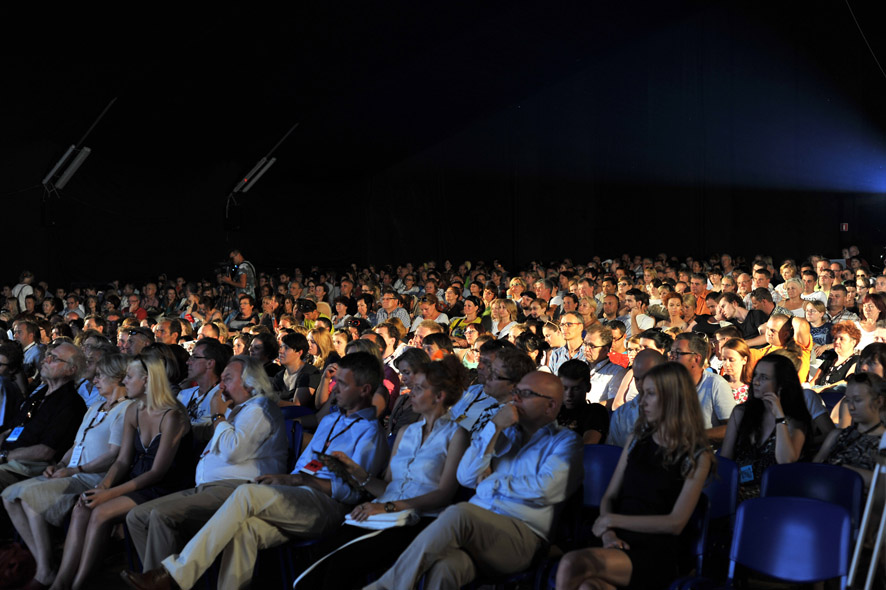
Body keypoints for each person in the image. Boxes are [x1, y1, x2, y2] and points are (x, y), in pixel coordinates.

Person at [122, 352, 389, 590]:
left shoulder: (370, 433)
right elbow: (304, 466)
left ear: (365, 390)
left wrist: (294, 480)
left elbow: (353, 492)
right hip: (298, 493)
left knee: (246, 493)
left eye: (342, 384)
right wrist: (289, 479)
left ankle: (174, 573)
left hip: (328, 507)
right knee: (245, 530)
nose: (334, 389)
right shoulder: (330, 419)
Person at [365, 371, 582, 589]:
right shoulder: (504, 434)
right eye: (516, 392)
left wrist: (489, 483)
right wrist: (494, 427)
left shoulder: (566, 442)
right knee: (445, 569)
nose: (515, 399)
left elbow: (546, 489)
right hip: (478, 531)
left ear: (551, 405)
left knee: (460, 513)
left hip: (523, 538)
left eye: (525, 394)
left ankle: (387, 586)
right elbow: (466, 476)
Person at [293, 355, 471, 589]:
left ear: (439, 396)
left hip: (417, 520)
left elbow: (444, 494)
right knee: (317, 559)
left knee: (340, 566)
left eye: (418, 388)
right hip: (381, 512)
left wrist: (387, 506)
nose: (411, 393)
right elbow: (388, 486)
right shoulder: (406, 432)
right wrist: (357, 472)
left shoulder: (456, 435)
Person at [555, 362, 714, 590]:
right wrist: (609, 533)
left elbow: (675, 523)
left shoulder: (697, 454)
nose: (642, 400)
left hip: (655, 547)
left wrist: (611, 521)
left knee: (572, 563)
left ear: (672, 398)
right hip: (617, 537)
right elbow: (610, 496)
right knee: (589, 586)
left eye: (651, 394)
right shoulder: (637, 440)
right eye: (643, 393)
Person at [124, 355, 287, 573]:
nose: (221, 385)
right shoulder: (235, 410)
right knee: (137, 516)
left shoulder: (259, 407)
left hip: (237, 489)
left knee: (162, 514)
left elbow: (232, 451)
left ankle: (162, 581)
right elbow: (211, 433)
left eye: (228, 379)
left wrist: (217, 414)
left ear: (250, 383)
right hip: (206, 488)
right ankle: (161, 578)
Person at [50, 353, 192, 590]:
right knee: (83, 507)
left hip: (164, 486)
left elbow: (158, 472)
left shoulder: (173, 415)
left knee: (100, 512)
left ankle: (80, 583)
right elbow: (123, 460)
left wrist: (109, 494)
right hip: (137, 480)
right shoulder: (134, 410)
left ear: (146, 380)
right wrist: (103, 487)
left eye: (129, 376)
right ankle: (62, 580)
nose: (124, 381)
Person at [2, 354, 133, 589]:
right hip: (71, 471)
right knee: (9, 496)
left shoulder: (126, 410)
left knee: (30, 499)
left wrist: (74, 469)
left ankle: (44, 570)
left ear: (119, 378)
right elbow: (76, 444)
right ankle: (44, 563)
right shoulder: (94, 407)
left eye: (101, 375)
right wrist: (61, 465)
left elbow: (114, 455)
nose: (95, 379)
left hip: (91, 478)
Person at [720, 354, 811, 501]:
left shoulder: (795, 420)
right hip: (737, 492)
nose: (755, 382)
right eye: (755, 375)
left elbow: (786, 460)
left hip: (774, 496)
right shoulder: (741, 413)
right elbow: (725, 460)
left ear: (781, 384)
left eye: (764, 377)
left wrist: (779, 416)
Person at [0, 341, 87, 495]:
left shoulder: (71, 404)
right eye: (47, 356)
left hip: (29, 467)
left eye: (54, 359)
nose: (44, 361)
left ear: (71, 369)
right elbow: (14, 427)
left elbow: (45, 452)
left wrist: (5, 456)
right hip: (10, 458)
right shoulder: (40, 394)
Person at [813, 372, 886, 487]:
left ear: (879, 401)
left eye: (857, 400)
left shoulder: (883, 442)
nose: (851, 407)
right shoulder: (838, 435)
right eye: (848, 400)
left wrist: (841, 469)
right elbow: (812, 471)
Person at [557, 359, 609, 444]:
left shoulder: (595, 411)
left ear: (588, 387)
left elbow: (588, 444)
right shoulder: (554, 411)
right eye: (564, 388)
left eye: (576, 389)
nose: (569, 394)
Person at [809, 321, 860, 392]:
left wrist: (821, 389)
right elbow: (815, 380)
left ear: (853, 342)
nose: (837, 342)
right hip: (819, 395)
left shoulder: (856, 360)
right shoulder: (831, 358)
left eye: (841, 339)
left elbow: (846, 382)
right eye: (835, 338)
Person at [720, 338, 751, 403]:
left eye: (731, 360)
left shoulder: (752, 387)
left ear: (744, 360)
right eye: (724, 359)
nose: (727, 364)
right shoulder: (718, 384)